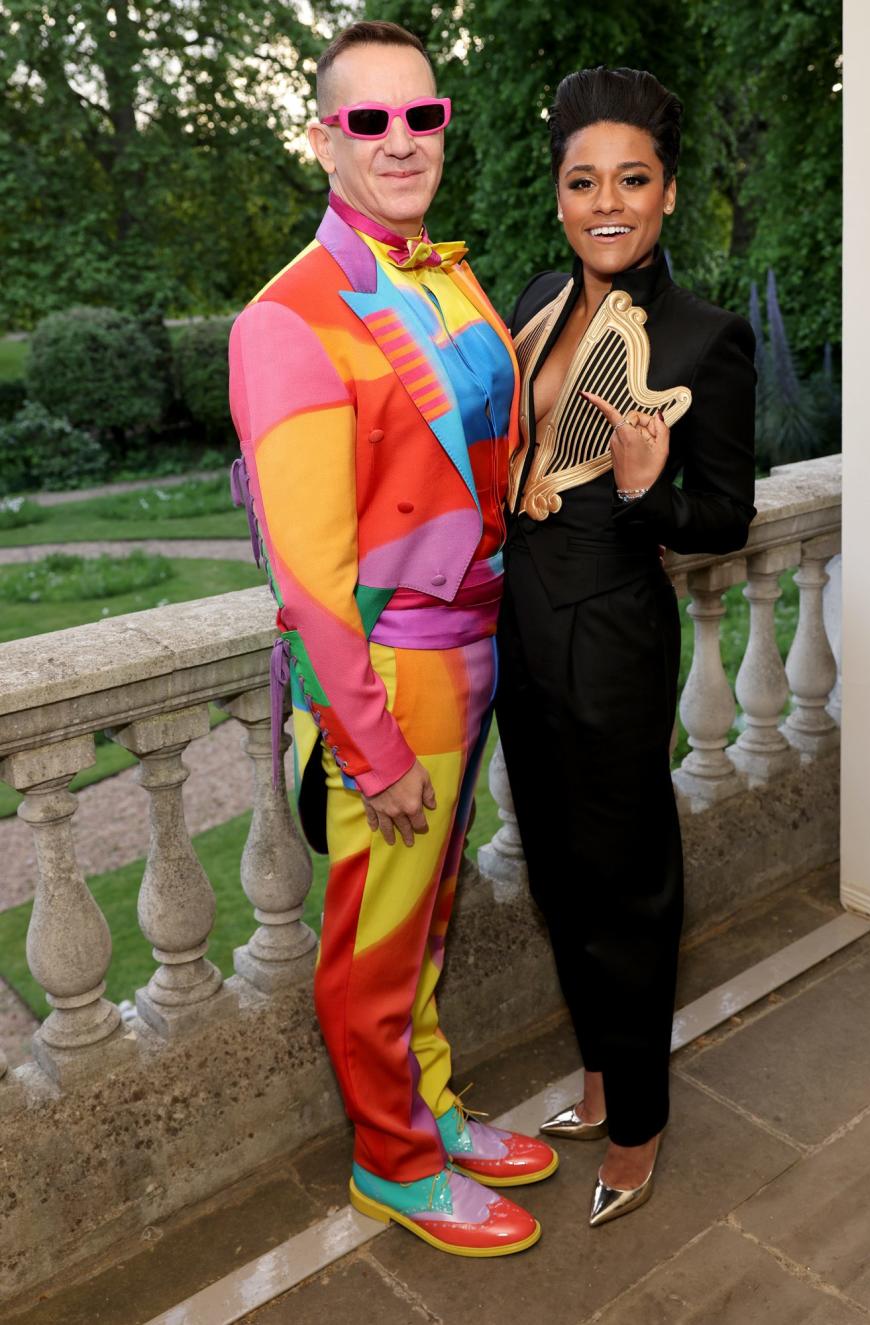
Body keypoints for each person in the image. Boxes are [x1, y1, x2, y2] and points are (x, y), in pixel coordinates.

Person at [228, 19, 557, 1258]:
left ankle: (430, 1109)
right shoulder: (289, 318)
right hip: (396, 671)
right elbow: (311, 580)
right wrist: (368, 744)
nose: (402, 139)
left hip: (471, 652)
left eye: (424, 114)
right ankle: (394, 1164)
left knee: (428, 911)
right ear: (324, 138)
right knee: (375, 931)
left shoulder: (443, 271)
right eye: (369, 120)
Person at [496, 65, 757, 1228]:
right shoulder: (537, 303)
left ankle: (640, 1121)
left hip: (612, 641)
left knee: (628, 885)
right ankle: (598, 1073)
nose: (609, 201)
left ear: (668, 193)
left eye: (632, 179)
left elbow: (727, 518)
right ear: (558, 196)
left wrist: (652, 491)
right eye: (583, 179)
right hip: (517, 638)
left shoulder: (708, 335)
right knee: (554, 871)